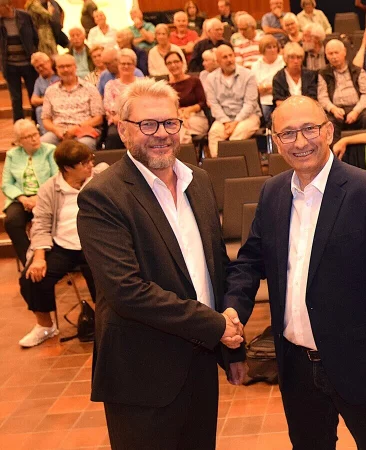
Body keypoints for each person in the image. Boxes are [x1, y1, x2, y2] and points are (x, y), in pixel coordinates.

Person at [223, 95, 366, 449]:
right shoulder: (272, 193)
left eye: (309, 129)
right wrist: (233, 309)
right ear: (275, 140)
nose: (300, 142)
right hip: (296, 366)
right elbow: (251, 261)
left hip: (362, 366)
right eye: (288, 133)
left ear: (328, 130)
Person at [76, 78, 242, 449]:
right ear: (122, 129)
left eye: (170, 123)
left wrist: (231, 344)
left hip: (199, 363)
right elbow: (127, 292)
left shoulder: (197, 180)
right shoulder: (102, 197)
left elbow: (214, 267)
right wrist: (215, 325)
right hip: (141, 374)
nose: (161, 134)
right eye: (147, 125)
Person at [18, 140, 102, 348]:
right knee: (32, 278)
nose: (90, 165)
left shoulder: (101, 178)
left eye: (90, 160)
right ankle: (45, 326)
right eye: (84, 163)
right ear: (67, 168)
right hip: (63, 245)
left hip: (94, 242)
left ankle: (108, 324)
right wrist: (39, 258)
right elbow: (41, 224)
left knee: (106, 277)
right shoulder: (50, 189)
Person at [3, 118, 58, 264]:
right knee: (11, 222)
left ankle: (52, 260)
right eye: (29, 136)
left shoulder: (50, 150)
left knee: (47, 220)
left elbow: (56, 178)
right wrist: (23, 198)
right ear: (20, 141)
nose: (34, 138)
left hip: (45, 197)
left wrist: (38, 197)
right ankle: (30, 261)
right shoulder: (12, 155)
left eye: (35, 134)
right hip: (21, 199)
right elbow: (7, 184)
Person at [206, 45, 261, 157]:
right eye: (225, 57)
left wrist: (235, 122)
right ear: (218, 61)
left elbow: (250, 103)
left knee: (237, 134)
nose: (229, 59)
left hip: (248, 116)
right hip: (224, 119)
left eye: (231, 55)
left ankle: (234, 169)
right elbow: (214, 104)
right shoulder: (211, 78)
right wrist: (226, 122)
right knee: (214, 133)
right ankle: (220, 168)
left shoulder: (248, 75)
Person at [41, 54, 103, 149]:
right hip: (59, 131)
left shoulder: (90, 88)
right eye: (61, 67)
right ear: (56, 69)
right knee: (43, 144)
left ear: (75, 67)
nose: (65, 69)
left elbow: (98, 118)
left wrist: (76, 128)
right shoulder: (50, 90)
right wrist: (56, 129)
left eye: (68, 66)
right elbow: (46, 119)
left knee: (84, 145)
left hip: (84, 131)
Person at [317, 39, 366, 142]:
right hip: (336, 110)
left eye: (336, 52)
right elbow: (322, 97)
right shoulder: (323, 73)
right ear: (326, 55)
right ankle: (335, 155)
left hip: (357, 108)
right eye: (330, 54)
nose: (334, 57)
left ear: (344, 52)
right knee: (328, 123)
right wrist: (333, 109)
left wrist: (356, 111)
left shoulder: (357, 71)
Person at [0, 0, 39, 122]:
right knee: (16, 98)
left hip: (28, 63)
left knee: (33, 93)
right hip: (10, 65)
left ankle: (37, 123)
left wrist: (33, 53)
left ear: (7, 6)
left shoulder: (24, 16)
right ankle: (19, 126)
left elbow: (35, 37)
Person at [165, 50, 208, 144]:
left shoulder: (195, 81)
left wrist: (188, 110)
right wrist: (180, 116)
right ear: (166, 66)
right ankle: (189, 156)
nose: (173, 65)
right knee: (180, 131)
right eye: (169, 63)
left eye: (176, 62)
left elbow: (202, 102)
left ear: (182, 63)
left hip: (197, 117)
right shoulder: (166, 87)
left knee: (177, 131)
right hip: (177, 119)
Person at [103, 48, 139, 149]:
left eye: (129, 63)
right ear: (118, 65)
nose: (126, 66)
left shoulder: (142, 83)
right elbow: (109, 107)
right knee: (113, 135)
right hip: (117, 122)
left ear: (134, 66)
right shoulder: (110, 85)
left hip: (139, 120)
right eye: (122, 63)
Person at [251, 35, 284, 125]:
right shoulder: (256, 65)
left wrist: (265, 87)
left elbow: (283, 87)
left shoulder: (283, 62)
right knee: (265, 116)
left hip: (281, 99)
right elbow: (256, 89)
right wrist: (273, 87)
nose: (273, 50)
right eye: (269, 47)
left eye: (274, 47)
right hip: (264, 100)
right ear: (262, 50)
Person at [30, 52, 59, 132]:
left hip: (61, 104)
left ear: (49, 62)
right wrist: (49, 100)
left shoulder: (59, 75)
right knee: (40, 110)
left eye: (42, 65)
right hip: (47, 107)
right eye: (37, 67)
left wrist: (44, 99)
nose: (40, 69)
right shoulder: (39, 81)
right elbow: (33, 100)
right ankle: (46, 135)